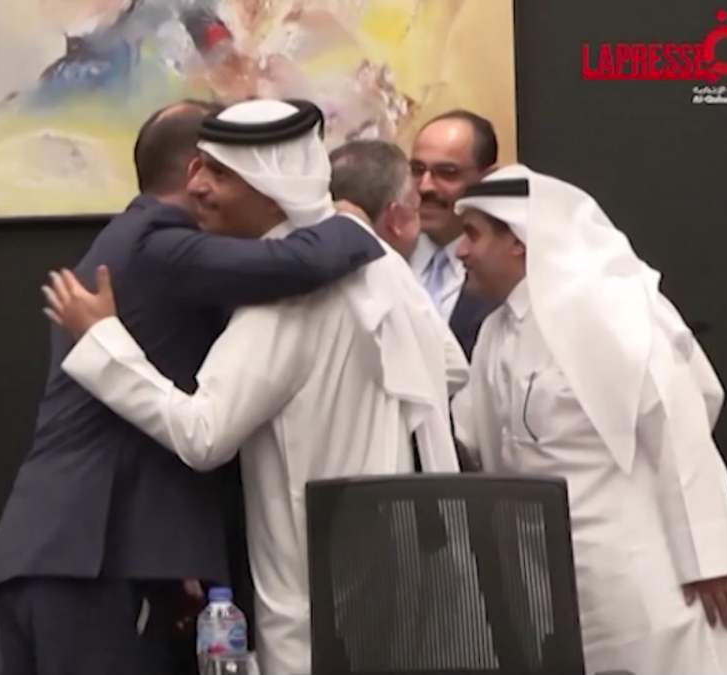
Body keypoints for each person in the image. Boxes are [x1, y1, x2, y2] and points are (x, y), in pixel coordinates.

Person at [42, 99, 461, 675]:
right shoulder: (381, 264)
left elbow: (202, 434)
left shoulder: (285, 303)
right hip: (393, 578)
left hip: (312, 604)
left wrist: (102, 344)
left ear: (271, 190)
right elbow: (449, 367)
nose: (199, 187)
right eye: (200, 168)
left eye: (220, 174)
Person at [450, 165, 727, 674]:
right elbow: (472, 442)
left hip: (653, 573)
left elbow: (678, 427)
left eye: (472, 234)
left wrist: (707, 560)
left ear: (519, 241)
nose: (461, 251)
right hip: (561, 579)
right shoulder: (495, 333)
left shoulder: (608, 307)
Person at [329, 138, 468, 396]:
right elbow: (453, 369)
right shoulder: (389, 270)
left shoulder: (303, 264)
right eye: (415, 210)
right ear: (395, 218)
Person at [409, 109, 501, 356]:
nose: (425, 186)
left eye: (447, 173)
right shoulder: (385, 253)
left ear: (487, 178)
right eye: (417, 169)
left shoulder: (506, 266)